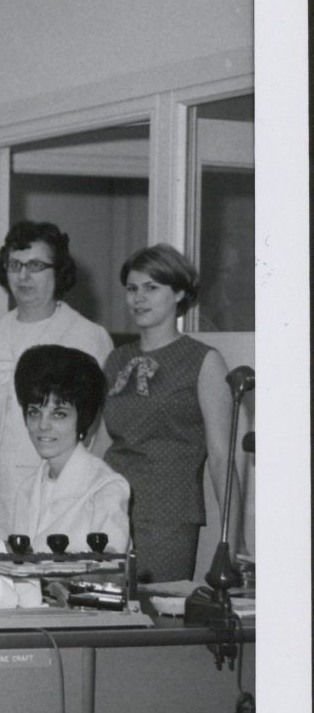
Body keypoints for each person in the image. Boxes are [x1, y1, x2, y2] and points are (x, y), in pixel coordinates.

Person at [0, 222, 113, 540]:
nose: (23, 276)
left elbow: (101, 428)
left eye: (36, 266)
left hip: (60, 491)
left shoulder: (88, 335)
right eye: (15, 265)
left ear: (58, 271)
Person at [102, 244, 232, 583]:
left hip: (169, 515)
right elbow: (100, 442)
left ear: (178, 293)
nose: (138, 298)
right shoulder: (115, 360)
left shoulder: (204, 361)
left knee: (157, 616)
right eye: (132, 289)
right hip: (109, 508)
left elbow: (221, 457)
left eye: (151, 287)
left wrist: (233, 537)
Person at [10, 345, 131, 553]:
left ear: (82, 419)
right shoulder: (27, 490)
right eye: (34, 412)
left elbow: (112, 572)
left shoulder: (105, 487)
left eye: (59, 414)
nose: (43, 425)